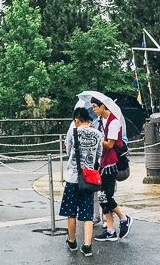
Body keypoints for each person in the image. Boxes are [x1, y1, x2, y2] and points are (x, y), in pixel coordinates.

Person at [59, 106, 103, 257]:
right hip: (89, 179)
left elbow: (68, 150)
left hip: (73, 177)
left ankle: (72, 242)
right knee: (87, 213)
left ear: (77, 120)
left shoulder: (73, 131)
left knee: (71, 212)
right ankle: (87, 246)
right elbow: (99, 155)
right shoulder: (98, 134)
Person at [91, 97, 133, 242]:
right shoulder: (101, 121)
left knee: (105, 196)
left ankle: (124, 218)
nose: (94, 109)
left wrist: (96, 137)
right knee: (103, 197)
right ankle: (110, 230)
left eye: (95, 106)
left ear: (103, 106)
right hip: (102, 162)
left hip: (111, 163)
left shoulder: (114, 122)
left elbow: (109, 144)